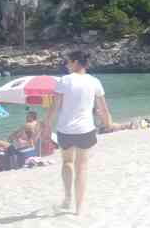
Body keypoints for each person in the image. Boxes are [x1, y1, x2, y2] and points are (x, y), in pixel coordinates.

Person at [44, 50, 111, 214]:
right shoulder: (95, 81)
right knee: (82, 167)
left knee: (67, 162)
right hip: (86, 129)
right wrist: (109, 123)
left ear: (75, 62)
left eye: (68, 62)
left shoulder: (64, 81)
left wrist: (47, 126)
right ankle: (79, 208)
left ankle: (67, 199)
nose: (66, 65)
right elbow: (103, 108)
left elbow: (55, 107)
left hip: (65, 129)